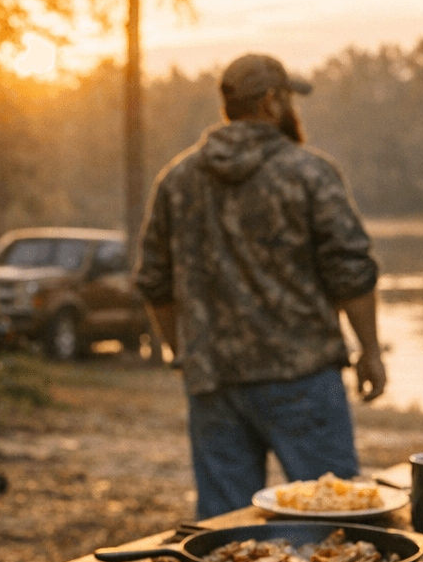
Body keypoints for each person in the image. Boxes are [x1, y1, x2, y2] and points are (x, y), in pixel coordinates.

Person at [135, 53, 387, 520]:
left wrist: (183, 352)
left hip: (214, 383)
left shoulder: (177, 180)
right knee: (336, 519)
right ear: (271, 102)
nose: (293, 108)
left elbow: (154, 282)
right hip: (303, 379)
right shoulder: (309, 172)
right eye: (288, 98)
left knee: (224, 531)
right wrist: (370, 352)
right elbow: (351, 271)